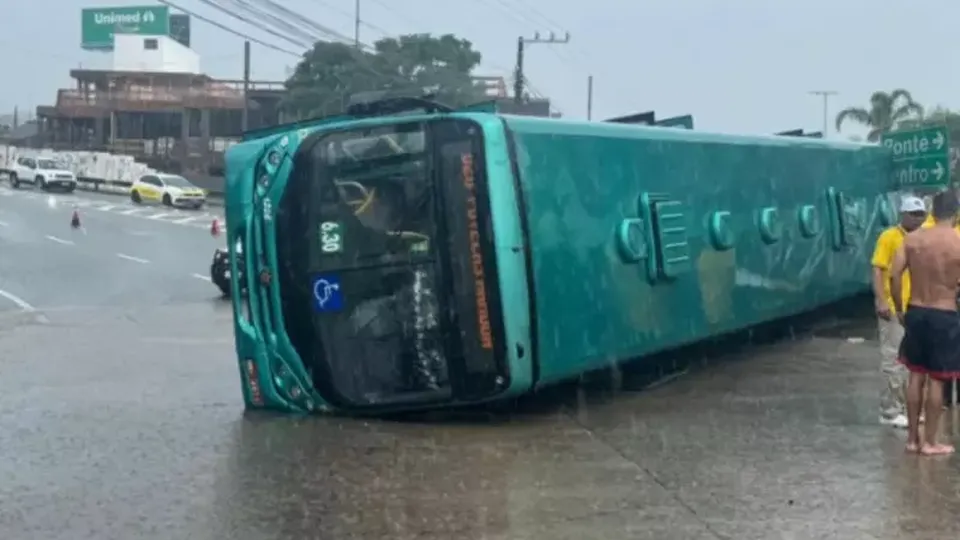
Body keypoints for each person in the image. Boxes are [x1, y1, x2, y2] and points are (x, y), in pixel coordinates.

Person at [891, 190, 960, 455]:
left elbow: (894, 274)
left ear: (932, 211)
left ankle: (911, 440)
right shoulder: (957, 242)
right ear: (955, 214)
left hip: (916, 310)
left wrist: (900, 308)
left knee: (915, 375)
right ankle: (930, 442)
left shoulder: (913, 240)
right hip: (944, 314)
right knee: (938, 379)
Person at [871, 195, 928, 427]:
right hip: (894, 309)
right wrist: (881, 300)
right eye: (913, 214)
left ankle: (908, 407)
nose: (917, 219)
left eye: (920, 215)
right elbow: (877, 269)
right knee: (893, 360)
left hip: (917, 306)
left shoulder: (923, 239)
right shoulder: (889, 237)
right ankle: (889, 411)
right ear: (903, 214)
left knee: (913, 361)